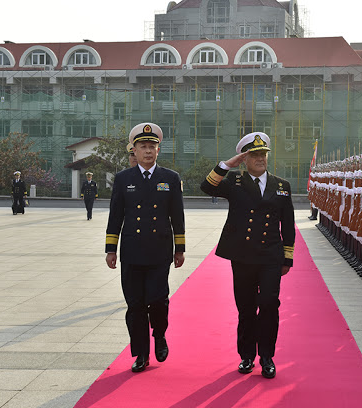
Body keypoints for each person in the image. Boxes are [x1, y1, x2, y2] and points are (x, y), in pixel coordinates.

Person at [200, 132, 295, 379]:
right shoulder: (234, 182)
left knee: (269, 304)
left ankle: (267, 356)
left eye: (263, 154)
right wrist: (228, 165)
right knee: (246, 308)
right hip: (242, 256)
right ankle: (247, 356)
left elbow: (288, 223)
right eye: (255, 155)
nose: (261, 158)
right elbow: (206, 186)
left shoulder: (282, 186)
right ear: (245, 158)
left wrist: (287, 257)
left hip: (270, 256)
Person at [105, 122, 186, 373]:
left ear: (158, 150)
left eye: (152, 146)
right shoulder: (123, 179)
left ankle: (159, 335)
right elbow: (115, 215)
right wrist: (111, 248)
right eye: (143, 146)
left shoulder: (170, 178)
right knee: (135, 305)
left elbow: (177, 215)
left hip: (159, 251)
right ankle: (140, 352)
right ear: (135, 150)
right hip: (132, 251)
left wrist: (179, 248)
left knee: (158, 301)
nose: (148, 151)